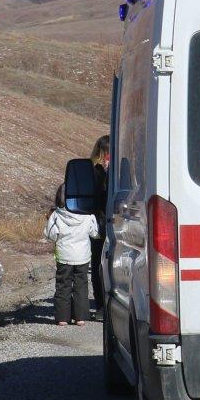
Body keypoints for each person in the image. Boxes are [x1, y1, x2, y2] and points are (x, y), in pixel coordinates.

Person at [43, 185, 99, 327]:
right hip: (82, 256)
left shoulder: (56, 215)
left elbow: (50, 234)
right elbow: (95, 233)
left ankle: (62, 318)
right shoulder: (87, 215)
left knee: (63, 285)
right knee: (81, 285)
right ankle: (80, 318)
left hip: (64, 255)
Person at [89, 135, 110, 320]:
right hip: (98, 220)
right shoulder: (94, 170)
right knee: (97, 264)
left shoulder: (120, 169)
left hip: (113, 219)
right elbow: (96, 195)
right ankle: (101, 304)